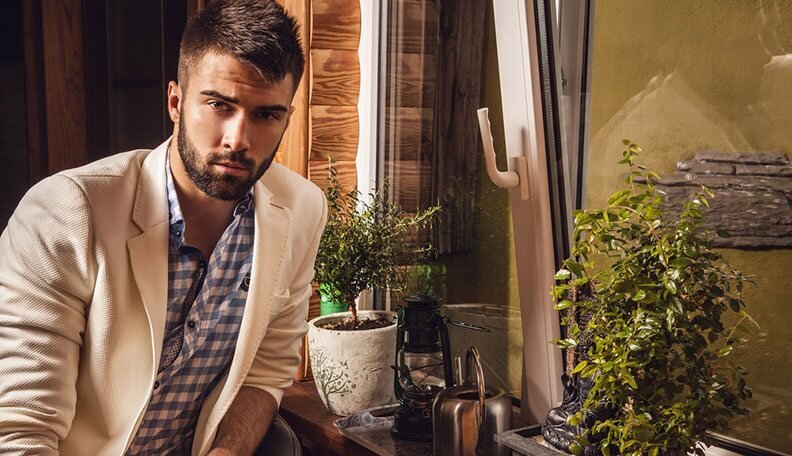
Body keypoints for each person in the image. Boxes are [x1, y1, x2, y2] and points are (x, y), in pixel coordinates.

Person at [0, 1, 326, 454]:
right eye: (219, 105)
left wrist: (228, 450)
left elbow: (265, 373)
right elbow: (21, 429)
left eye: (265, 114)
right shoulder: (63, 212)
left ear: (287, 119)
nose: (238, 140)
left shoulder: (302, 209)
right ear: (175, 102)